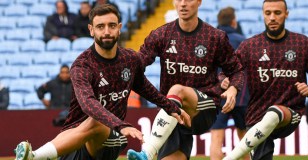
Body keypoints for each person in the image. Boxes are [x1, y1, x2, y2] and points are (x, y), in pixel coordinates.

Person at [14, 4, 190, 160]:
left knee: (98, 121)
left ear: (119, 28)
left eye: (112, 26)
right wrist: (121, 124)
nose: (106, 31)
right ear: (91, 30)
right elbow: (87, 103)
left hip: (110, 137)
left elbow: (144, 87)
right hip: (75, 140)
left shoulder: (130, 59)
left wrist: (171, 107)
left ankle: (36, 156)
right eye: (100, 27)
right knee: (93, 119)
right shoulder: (82, 65)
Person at [127, 0, 244, 159]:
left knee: (176, 89)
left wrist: (233, 88)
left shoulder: (215, 37)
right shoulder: (161, 34)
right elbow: (138, 63)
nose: (183, 4)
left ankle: (147, 151)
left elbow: (237, 70)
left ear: (199, 2)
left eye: (188, 0)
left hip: (204, 108)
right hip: (174, 114)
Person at [222, 0, 308, 160]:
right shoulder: (250, 46)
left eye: (277, 13)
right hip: (256, 116)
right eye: (268, 13)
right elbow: (230, 70)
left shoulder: (302, 44)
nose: (272, 17)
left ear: (286, 14)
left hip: (290, 112)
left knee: (274, 112)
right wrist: (229, 84)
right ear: (263, 14)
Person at [209, 6, 248, 160]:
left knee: (216, 139)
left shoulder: (211, 41)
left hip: (218, 95)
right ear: (233, 22)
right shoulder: (243, 42)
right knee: (246, 140)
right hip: (242, 95)